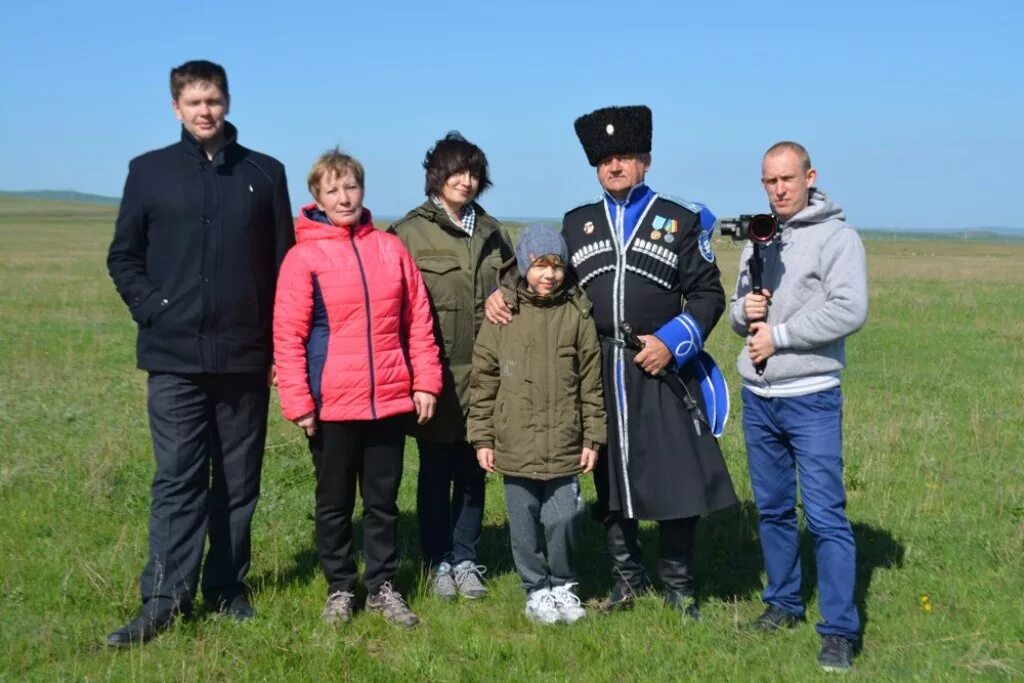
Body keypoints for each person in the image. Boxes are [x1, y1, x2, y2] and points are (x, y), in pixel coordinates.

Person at [488, 105, 738, 619]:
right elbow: (543, 274)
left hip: (662, 367)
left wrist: (672, 341)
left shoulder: (680, 219)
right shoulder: (578, 224)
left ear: (645, 160)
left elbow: (709, 295)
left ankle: (679, 585)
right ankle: (627, 579)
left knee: (676, 478)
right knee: (609, 478)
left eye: (624, 156)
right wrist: (502, 293)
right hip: (598, 367)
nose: (614, 166)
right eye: (604, 159)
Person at [105, 60, 294, 647]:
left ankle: (226, 588)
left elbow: (285, 268)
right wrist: (155, 307)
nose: (204, 111)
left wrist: (276, 350)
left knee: (239, 483)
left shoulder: (265, 173)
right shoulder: (150, 172)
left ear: (228, 101)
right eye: (193, 103)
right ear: (175, 108)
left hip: (244, 356)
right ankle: (163, 599)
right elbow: (123, 257)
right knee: (178, 479)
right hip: (174, 358)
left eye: (212, 100)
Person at [273, 149, 442, 628]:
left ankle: (384, 586)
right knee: (333, 505)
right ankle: (341, 587)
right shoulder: (303, 257)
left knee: (383, 503)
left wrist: (426, 381)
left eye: (350, 187)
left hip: (389, 400)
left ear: (362, 190)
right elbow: (288, 335)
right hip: (330, 405)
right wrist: (299, 403)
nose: (344, 197)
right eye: (332, 190)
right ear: (317, 199)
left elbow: (418, 322)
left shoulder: (390, 249)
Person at [730, 141, 867, 673]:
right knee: (772, 509)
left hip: (810, 397)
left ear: (810, 177)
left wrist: (780, 335)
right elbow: (740, 317)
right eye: (769, 181)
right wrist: (747, 309)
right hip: (759, 398)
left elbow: (850, 309)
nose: (779, 189)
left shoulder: (838, 237)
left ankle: (838, 630)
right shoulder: (759, 236)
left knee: (827, 515)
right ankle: (783, 602)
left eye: (787, 179)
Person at [389, 132, 514, 600]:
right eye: (457, 171)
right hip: (434, 376)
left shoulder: (493, 230)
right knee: (435, 470)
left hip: (485, 377)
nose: (466, 180)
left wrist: (509, 291)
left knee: (474, 469)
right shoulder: (407, 232)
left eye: (474, 173)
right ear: (436, 176)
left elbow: (519, 281)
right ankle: (438, 559)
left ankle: (467, 558)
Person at [467, 224, 606, 625]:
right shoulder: (502, 314)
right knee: (524, 522)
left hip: (565, 440)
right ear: (523, 264)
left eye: (557, 266)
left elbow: (591, 383)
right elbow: (484, 379)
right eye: (540, 265)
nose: (549, 274)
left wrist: (593, 436)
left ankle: (563, 584)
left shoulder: (577, 315)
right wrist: (482, 437)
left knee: (562, 517)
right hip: (515, 440)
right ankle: (536, 590)